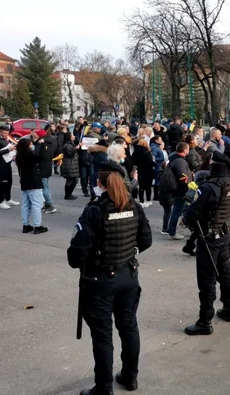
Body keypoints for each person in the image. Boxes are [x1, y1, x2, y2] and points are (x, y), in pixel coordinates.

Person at [67, 164, 152, 395]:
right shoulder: (134, 206)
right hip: (129, 276)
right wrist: (125, 254)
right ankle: (130, 377)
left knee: (103, 335)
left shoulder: (95, 210)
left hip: (100, 280)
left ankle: (104, 389)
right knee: (128, 327)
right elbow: (146, 241)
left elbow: (76, 255)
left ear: (100, 183)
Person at [181, 151, 230, 335]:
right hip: (224, 233)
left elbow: (190, 215)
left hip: (208, 238)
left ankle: (205, 321)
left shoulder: (208, 188)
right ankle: (228, 309)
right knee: (225, 273)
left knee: (207, 280)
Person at [16, 135, 48, 234]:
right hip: (34, 182)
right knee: (36, 205)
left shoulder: (19, 156)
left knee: (25, 205)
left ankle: (25, 225)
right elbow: (40, 155)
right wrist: (40, 144)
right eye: (30, 144)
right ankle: (37, 226)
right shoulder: (30, 155)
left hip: (24, 181)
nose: (32, 145)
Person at [166, 143, 191, 240]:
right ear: (185, 150)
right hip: (181, 190)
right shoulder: (180, 162)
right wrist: (188, 185)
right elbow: (183, 177)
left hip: (179, 189)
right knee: (177, 210)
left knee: (184, 209)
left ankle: (190, 227)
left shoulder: (175, 159)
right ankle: (172, 231)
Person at [0, 125, 19, 208]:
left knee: (9, 182)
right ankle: (1, 201)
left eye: (7, 133)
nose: (6, 135)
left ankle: (8, 199)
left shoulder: (4, 140)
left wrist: (12, 151)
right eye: (5, 133)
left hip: (7, 163)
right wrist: (9, 150)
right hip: (1, 165)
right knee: (3, 183)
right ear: (0, 132)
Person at [37, 130, 60, 214]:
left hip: (43, 167)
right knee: (46, 186)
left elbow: (42, 155)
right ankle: (47, 204)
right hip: (48, 166)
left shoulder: (43, 144)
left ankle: (50, 204)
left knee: (44, 187)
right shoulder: (52, 142)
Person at [131, 138, 156, 208]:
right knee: (148, 187)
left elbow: (133, 161)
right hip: (148, 171)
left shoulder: (135, 152)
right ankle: (148, 200)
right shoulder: (147, 152)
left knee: (141, 187)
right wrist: (155, 164)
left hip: (139, 170)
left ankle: (141, 201)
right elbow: (150, 162)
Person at [62, 132, 80, 200]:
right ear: (69, 137)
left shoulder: (71, 144)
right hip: (69, 165)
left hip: (72, 164)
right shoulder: (67, 145)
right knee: (70, 180)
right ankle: (67, 195)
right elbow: (70, 154)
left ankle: (69, 194)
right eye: (72, 135)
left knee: (75, 180)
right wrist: (75, 149)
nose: (74, 136)